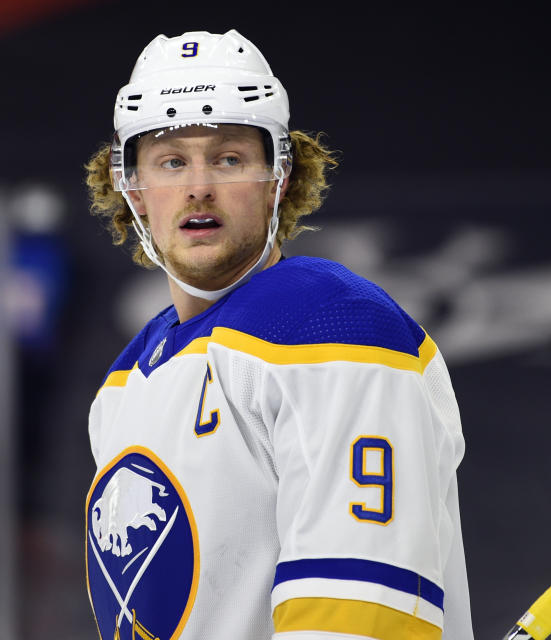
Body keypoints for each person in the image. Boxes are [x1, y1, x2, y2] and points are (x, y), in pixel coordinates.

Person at [83, 29, 473, 640]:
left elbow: (354, 621)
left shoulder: (333, 329)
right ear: (132, 187)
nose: (198, 186)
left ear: (281, 178)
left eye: (229, 158)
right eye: (171, 161)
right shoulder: (124, 384)